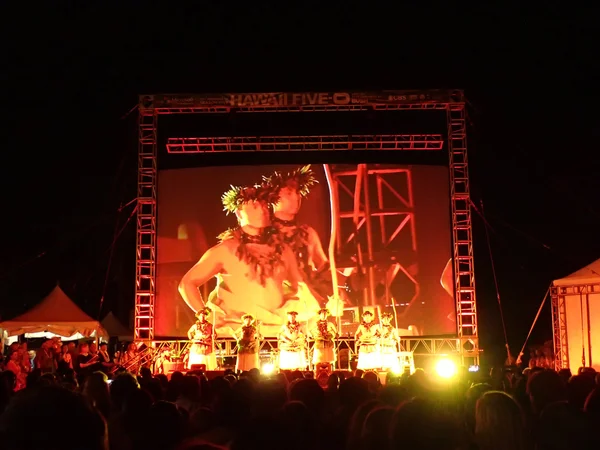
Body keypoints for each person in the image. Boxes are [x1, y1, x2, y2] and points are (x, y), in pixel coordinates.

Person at [178, 183, 304, 336]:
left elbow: (300, 288)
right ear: (238, 213)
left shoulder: (283, 250)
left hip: (277, 331)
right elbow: (187, 283)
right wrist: (205, 318)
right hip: (236, 332)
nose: (263, 211)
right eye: (255, 207)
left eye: (265, 206)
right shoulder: (226, 250)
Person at [263, 165, 343, 314]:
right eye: (288, 193)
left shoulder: (308, 233)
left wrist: (341, 287)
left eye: (297, 192)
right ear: (273, 198)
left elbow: (324, 267)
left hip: (307, 302)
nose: (296, 197)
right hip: (274, 301)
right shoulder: (263, 234)